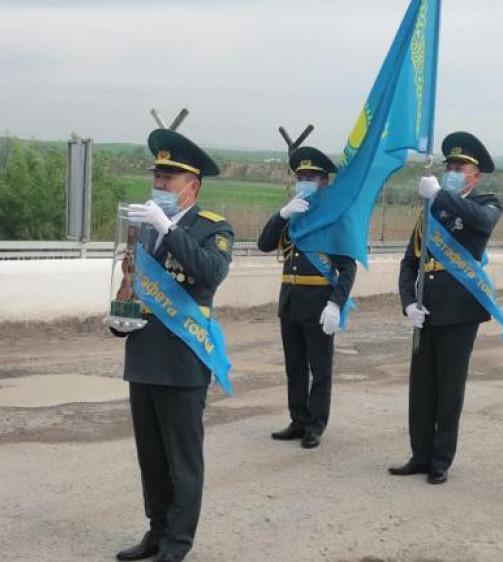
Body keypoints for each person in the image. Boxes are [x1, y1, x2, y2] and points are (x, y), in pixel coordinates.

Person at [109, 127, 235, 562]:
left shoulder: (211, 229)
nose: (159, 185)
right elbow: (132, 282)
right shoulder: (143, 229)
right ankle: (157, 532)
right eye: (157, 177)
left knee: (182, 460)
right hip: (143, 357)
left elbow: (209, 274)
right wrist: (119, 319)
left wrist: (169, 230)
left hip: (183, 361)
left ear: (192, 187)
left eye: (170, 179)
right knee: (152, 459)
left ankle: (178, 543)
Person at [389, 131, 503, 484]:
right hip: (426, 308)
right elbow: (411, 261)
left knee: (449, 387)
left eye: (460, 166)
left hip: (460, 310)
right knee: (421, 387)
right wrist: (408, 302)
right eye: (449, 165)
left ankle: (441, 459)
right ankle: (419, 454)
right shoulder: (430, 208)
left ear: (475, 174)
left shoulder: (488, 202)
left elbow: (481, 223)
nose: (453, 170)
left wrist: (441, 193)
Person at [257, 146, 356, 449]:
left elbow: (347, 266)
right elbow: (264, 244)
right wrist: (282, 214)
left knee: (320, 368)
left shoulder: (334, 219)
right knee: (295, 366)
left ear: (324, 182)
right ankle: (298, 419)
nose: (304, 181)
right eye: (300, 176)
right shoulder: (294, 214)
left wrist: (335, 304)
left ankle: (315, 424)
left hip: (319, 302)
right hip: (290, 300)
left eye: (310, 177)